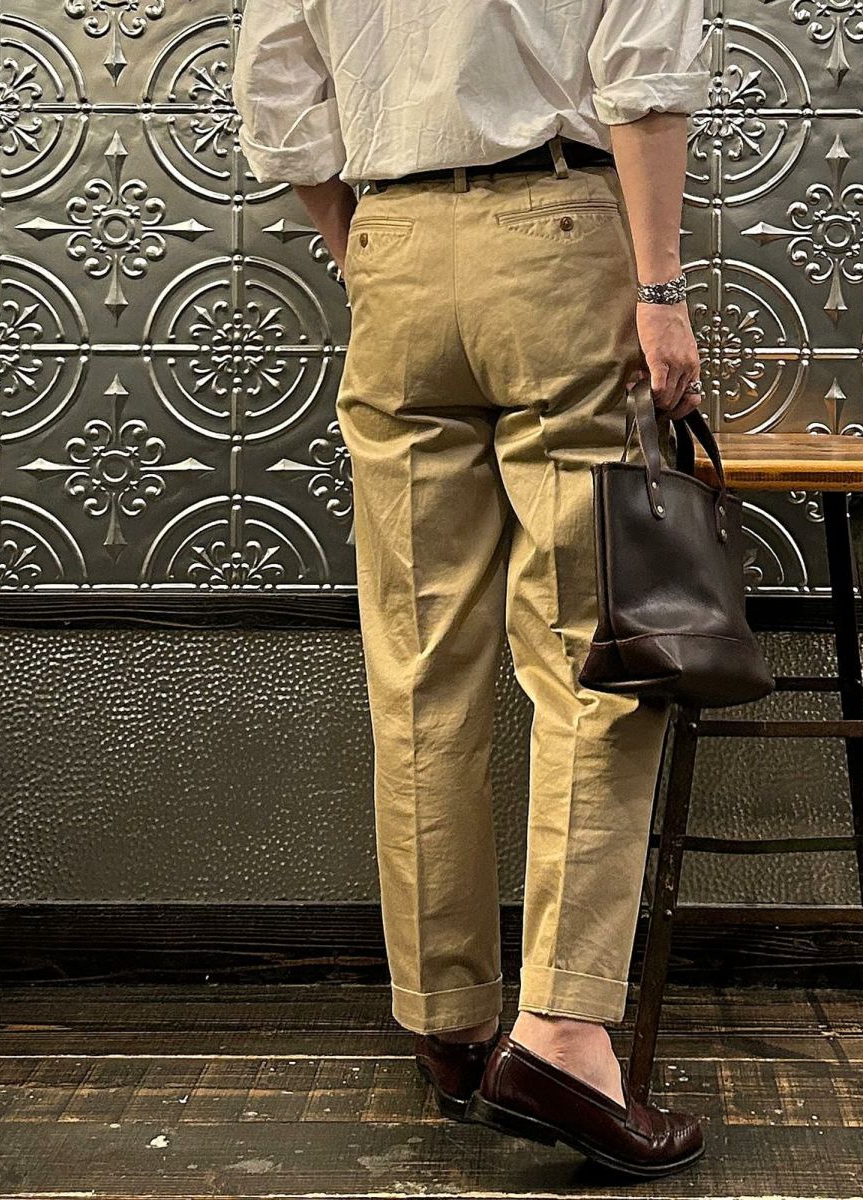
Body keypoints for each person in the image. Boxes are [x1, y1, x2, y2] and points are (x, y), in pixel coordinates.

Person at [233, 0, 710, 1177]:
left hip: (393, 249)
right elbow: (643, 77)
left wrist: (367, 245)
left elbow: (274, 88)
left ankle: (447, 1024)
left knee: (418, 666)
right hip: (559, 241)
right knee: (595, 655)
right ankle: (562, 1036)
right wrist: (659, 292)